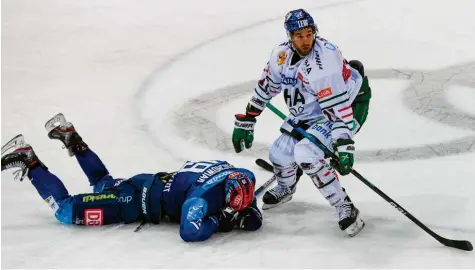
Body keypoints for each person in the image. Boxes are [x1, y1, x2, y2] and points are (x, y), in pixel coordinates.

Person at [2, 113, 262, 242]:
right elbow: (189, 231)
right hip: (130, 203)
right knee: (65, 211)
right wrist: (218, 220)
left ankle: (70, 135)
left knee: (104, 182)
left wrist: (248, 213)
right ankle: (29, 160)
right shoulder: (200, 199)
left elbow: (249, 207)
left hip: (146, 183)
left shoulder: (240, 175)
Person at [231, 9, 371, 236]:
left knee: (307, 154)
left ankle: (344, 206)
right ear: (290, 37)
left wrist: (343, 146)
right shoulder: (281, 55)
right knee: (279, 154)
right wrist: (248, 118)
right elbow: (267, 87)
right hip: (311, 107)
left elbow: (337, 112)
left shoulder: (324, 61)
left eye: (309, 34)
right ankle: (287, 187)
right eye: (299, 35)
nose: (305, 40)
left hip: (348, 106)